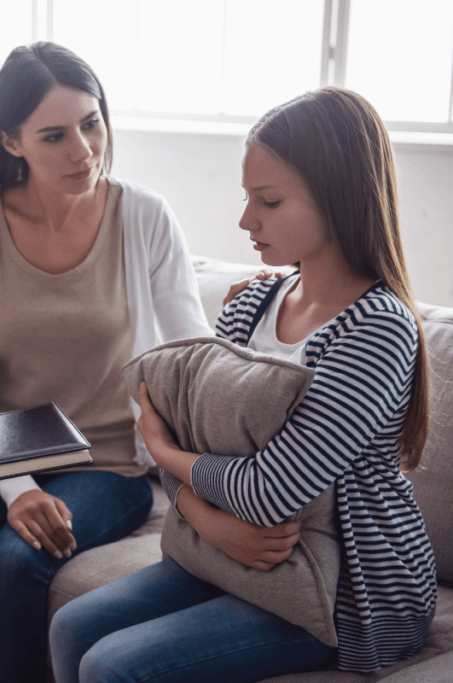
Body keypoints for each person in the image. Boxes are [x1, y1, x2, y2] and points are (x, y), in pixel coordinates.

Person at [49, 87, 438, 683]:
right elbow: (195, 432)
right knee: (70, 626)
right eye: (247, 197)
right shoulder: (252, 304)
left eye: (270, 200)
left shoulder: (377, 328)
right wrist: (207, 521)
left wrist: (165, 452)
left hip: (347, 590)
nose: (245, 220)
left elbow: (267, 492)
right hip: (232, 554)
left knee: (111, 665)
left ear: (338, 199)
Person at [0, 42, 211, 683]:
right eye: (55, 135)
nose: (83, 149)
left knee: (22, 561)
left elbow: (191, 357)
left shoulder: (145, 216)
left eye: (92, 122)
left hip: (106, 459)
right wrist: (16, 487)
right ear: (12, 142)